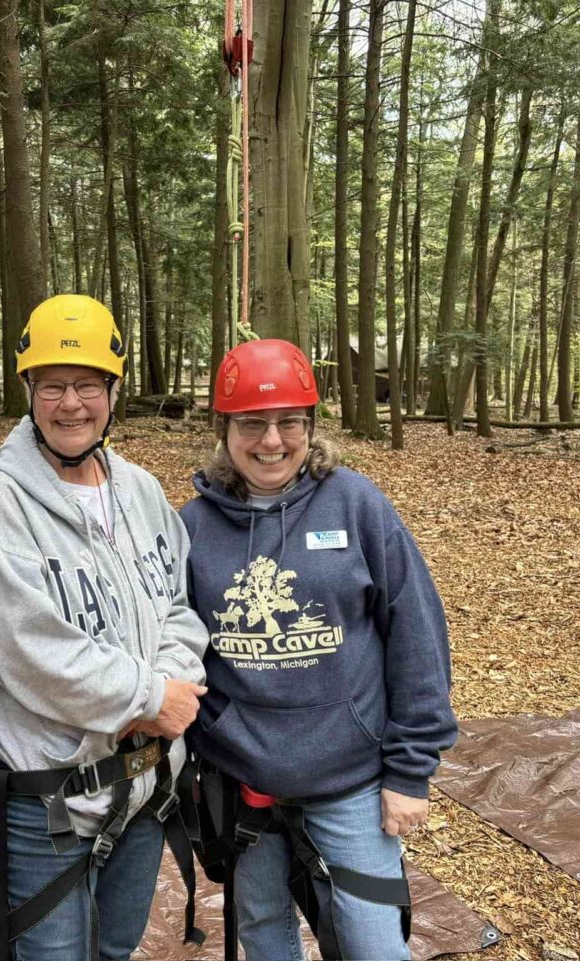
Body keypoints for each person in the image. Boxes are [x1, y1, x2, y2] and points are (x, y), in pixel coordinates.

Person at [179, 338, 457, 961]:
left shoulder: (356, 504)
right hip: (245, 783)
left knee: (375, 944)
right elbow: (177, 648)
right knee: (263, 933)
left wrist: (410, 770)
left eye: (289, 424)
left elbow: (417, 635)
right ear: (224, 428)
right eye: (252, 423)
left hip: (351, 778)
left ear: (312, 427)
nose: (271, 441)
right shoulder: (193, 527)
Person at [0, 294, 210, 961]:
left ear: (112, 390)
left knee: (116, 947)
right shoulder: (0, 503)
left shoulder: (139, 491)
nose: (71, 403)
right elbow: (27, 647)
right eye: (53, 386)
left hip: (141, 784)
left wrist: (171, 682)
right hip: (50, 802)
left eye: (87, 385)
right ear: (28, 391)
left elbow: (177, 606)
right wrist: (147, 698)